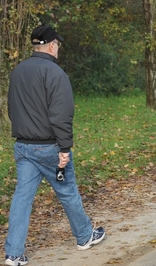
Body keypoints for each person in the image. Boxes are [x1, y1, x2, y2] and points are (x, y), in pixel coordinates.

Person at [5, 25, 105, 266]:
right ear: (52, 45)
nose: (58, 48)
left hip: (23, 147)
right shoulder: (55, 73)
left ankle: (13, 253)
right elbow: (61, 115)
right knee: (67, 190)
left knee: (21, 198)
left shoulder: (17, 71)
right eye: (57, 44)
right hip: (50, 149)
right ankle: (84, 236)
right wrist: (64, 148)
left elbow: (11, 109)